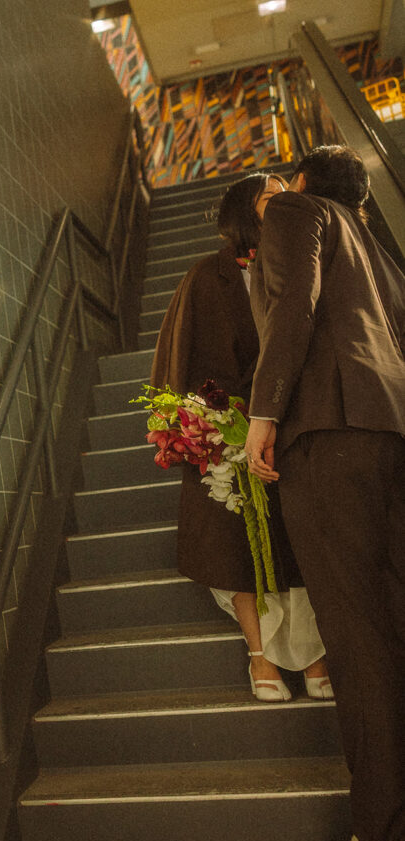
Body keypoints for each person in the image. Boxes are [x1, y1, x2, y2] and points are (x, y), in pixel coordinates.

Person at [244, 145, 405, 841]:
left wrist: (262, 411)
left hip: (330, 433)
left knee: (358, 638)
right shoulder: (374, 248)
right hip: (390, 432)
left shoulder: (292, 210)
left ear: (303, 181)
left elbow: (292, 305)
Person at [151, 172, 330, 702]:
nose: (284, 200)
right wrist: (224, 428)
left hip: (294, 427)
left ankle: (315, 653)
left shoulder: (302, 264)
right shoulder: (210, 274)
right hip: (228, 428)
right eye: (271, 194)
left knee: (304, 538)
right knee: (235, 540)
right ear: (243, 211)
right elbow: (191, 361)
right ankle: (259, 655)